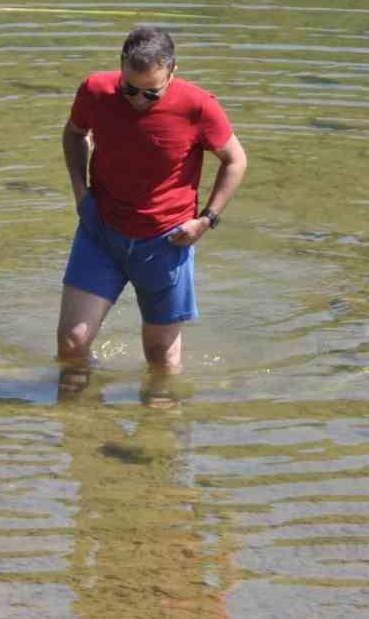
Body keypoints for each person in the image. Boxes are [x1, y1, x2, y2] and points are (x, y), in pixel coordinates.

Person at [56, 26, 247, 381]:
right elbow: (73, 133)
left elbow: (235, 160)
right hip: (101, 230)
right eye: (129, 89)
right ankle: (77, 425)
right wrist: (80, 191)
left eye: (150, 93)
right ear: (120, 66)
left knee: (161, 360)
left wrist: (206, 220)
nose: (137, 100)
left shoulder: (198, 106)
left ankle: (159, 430)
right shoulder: (96, 91)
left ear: (172, 72)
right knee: (72, 343)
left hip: (166, 241)